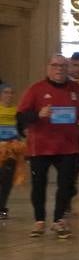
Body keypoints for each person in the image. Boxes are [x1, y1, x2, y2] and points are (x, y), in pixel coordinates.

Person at [17, 55, 79, 239]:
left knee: (66, 185)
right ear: (48, 68)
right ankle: (39, 220)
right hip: (40, 146)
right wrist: (38, 114)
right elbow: (21, 116)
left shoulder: (76, 89)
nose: (59, 69)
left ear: (68, 69)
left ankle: (59, 221)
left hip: (68, 146)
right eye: (55, 66)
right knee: (39, 184)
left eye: (63, 66)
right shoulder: (36, 89)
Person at [0, 83, 26, 220]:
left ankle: (2, 207)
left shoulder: (17, 112)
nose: (9, 95)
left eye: (11, 92)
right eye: (6, 92)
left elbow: (21, 130)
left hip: (12, 149)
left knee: (7, 177)